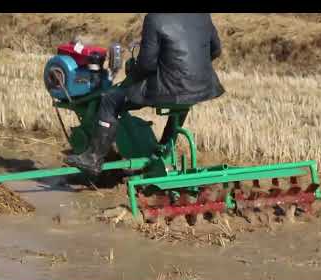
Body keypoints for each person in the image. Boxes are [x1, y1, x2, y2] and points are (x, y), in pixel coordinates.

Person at [65, 13, 225, 176]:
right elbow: (216, 50)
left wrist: (129, 80)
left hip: (170, 88)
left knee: (110, 99)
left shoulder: (155, 18)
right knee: (182, 103)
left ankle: (93, 157)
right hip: (201, 87)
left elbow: (147, 64)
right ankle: (164, 148)